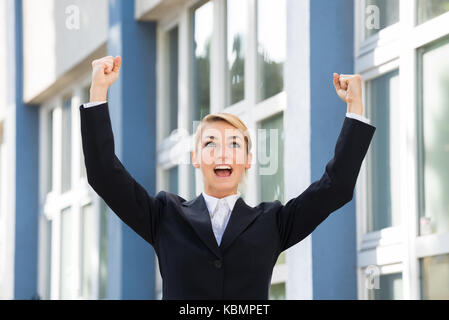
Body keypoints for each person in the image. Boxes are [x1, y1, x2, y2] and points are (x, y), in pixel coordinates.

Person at [79, 56, 376, 300]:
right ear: (196, 158)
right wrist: (98, 92)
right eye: (210, 144)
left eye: (234, 144)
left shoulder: (273, 221)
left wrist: (355, 108)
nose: (222, 154)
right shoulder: (164, 216)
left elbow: (335, 186)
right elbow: (104, 174)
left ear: (247, 160)